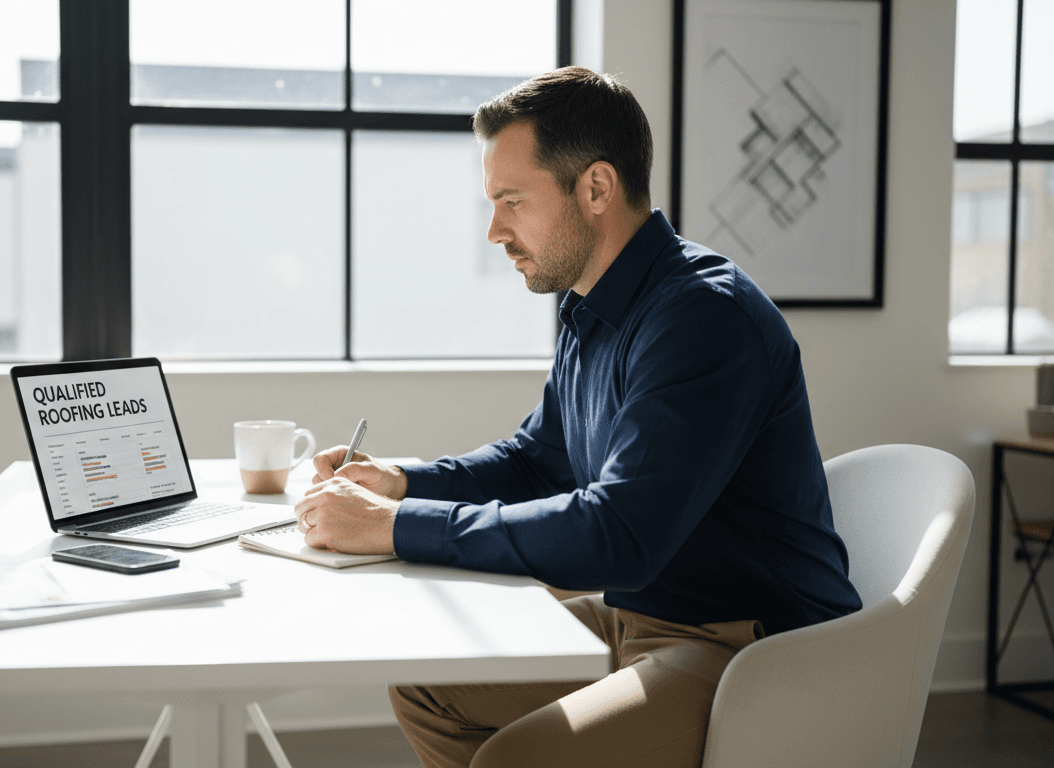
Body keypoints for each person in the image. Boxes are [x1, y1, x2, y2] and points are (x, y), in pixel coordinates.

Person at [292, 66, 862, 768]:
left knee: (518, 758)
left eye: (512, 201)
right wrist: (401, 485)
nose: (496, 230)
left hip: (748, 644)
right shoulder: (588, 305)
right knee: (430, 687)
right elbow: (540, 460)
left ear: (595, 188)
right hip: (640, 616)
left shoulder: (704, 317)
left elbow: (621, 535)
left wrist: (393, 529)